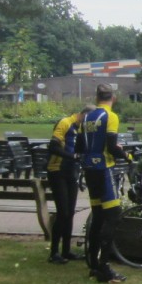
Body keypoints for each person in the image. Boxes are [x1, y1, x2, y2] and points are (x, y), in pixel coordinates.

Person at [76, 84, 131, 283]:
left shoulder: (87, 117)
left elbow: (79, 146)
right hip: (104, 168)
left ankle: (93, 263)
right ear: (113, 98)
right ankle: (104, 268)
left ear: (97, 98)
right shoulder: (111, 116)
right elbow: (111, 146)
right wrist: (127, 156)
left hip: (89, 169)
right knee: (113, 215)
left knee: (98, 216)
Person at [46, 105, 89, 264]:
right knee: (63, 212)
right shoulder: (65, 123)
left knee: (70, 212)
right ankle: (54, 252)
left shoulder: (81, 129)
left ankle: (66, 250)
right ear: (83, 115)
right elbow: (53, 146)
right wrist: (73, 156)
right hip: (57, 171)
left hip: (72, 172)